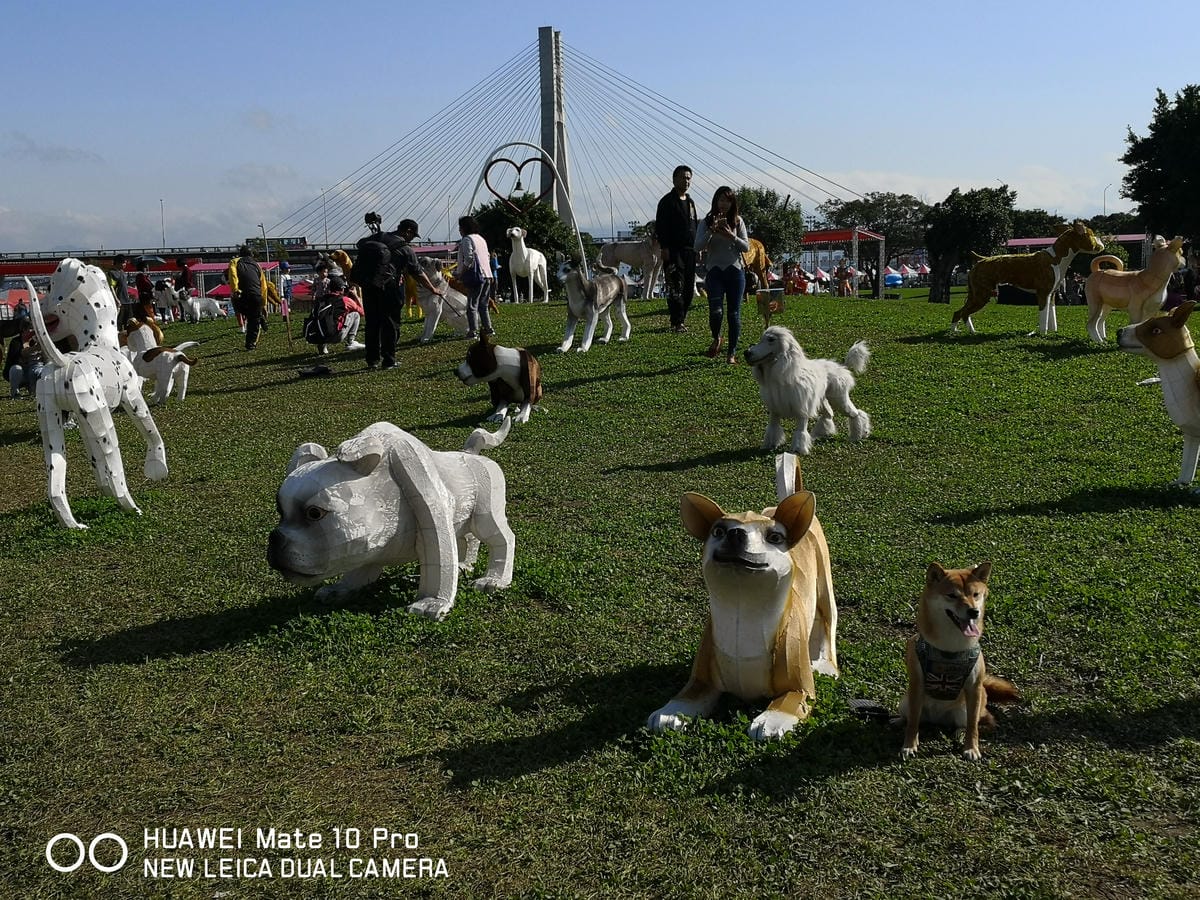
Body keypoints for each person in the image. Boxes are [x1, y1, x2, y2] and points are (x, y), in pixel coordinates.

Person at [355, 218, 444, 370]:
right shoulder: (405, 249)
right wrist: (432, 289)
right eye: (412, 235)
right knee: (390, 324)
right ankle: (389, 361)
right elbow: (417, 273)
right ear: (408, 231)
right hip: (390, 288)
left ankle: (372, 361)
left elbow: (360, 244)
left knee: (372, 324)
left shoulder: (378, 236)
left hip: (369, 286)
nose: (411, 239)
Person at [694, 186, 750, 364]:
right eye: (720, 200)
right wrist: (711, 231)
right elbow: (697, 246)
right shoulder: (706, 221)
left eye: (727, 200)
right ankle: (717, 337)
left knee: (734, 314)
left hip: (735, 271)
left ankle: (731, 353)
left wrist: (731, 235)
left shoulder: (738, 221)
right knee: (716, 311)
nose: (723, 204)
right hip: (715, 271)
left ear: (732, 203)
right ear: (715, 202)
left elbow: (746, 247)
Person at [655, 165, 699, 332]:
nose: (686, 181)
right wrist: (664, 247)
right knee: (675, 286)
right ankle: (676, 321)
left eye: (689, 178)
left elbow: (694, 225)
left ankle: (682, 318)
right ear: (674, 179)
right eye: (683, 177)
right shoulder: (667, 202)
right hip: (673, 251)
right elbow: (661, 226)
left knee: (688, 287)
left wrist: (698, 246)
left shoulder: (691, 202)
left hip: (690, 250)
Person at [455, 216, 495, 339]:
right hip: (487, 274)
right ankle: (488, 328)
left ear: (464, 228)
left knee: (472, 305)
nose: (459, 230)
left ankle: (473, 331)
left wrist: (461, 273)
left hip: (476, 276)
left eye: (460, 227)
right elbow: (487, 256)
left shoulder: (467, 240)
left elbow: (469, 258)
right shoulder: (481, 239)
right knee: (483, 304)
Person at [226, 245, 268, 350]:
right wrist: (264, 302)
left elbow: (233, 275)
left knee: (240, 310)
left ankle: (257, 316)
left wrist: (235, 289)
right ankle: (251, 344)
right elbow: (263, 284)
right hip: (257, 295)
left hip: (242, 294)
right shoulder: (257, 265)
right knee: (254, 320)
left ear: (240, 254)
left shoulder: (234, 261)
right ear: (252, 255)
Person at [316, 275, 366, 355]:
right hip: (337, 336)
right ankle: (351, 341)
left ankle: (323, 344)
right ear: (342, 288)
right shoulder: (345, 300)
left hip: (319, 334)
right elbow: (362, 312)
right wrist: (356, 295)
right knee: (355, 314)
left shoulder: (322, 299)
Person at [5, 319, 45, 399]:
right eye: (31, 328)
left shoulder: (37, 340)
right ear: (24, 329)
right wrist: (32, 350)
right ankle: (15, 393)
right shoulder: (15, 342)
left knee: (40, 371)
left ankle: (34, 391)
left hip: (34, 371)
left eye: (35, 328)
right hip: (21, 373)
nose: (33, 331)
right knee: (16, 369)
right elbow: (13, 359)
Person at [110, 254, 134, 327]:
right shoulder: (112, 273)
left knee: (130, 322)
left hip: (127, 301)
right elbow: (112, 287)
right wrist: (116, 299)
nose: (125, 264)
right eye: (124, 262)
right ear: (118, 263)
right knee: (119, 322)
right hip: (120, 302)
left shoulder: (123, 273)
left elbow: (124, 286)